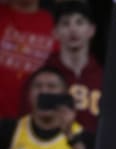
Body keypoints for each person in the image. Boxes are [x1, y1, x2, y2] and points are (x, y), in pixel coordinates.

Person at [42, 1, 103, 135]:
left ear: (91, 30)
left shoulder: (105, 77)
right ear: (55, 32)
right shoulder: (43, 78)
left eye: (79, 22)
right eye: (65, 23)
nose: (73, 29)